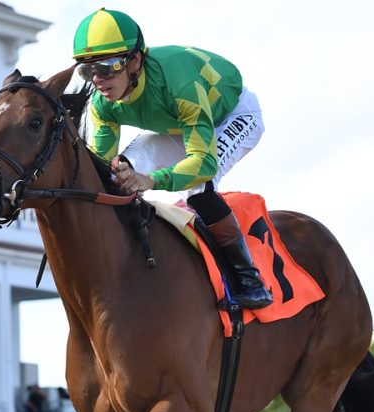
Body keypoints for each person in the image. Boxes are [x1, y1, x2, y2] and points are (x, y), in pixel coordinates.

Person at [72, 8, 272, 309]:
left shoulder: (178, 82)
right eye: (88, 71)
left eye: (108, 66)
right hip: (182, 124)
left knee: (200, 190)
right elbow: (100, 166)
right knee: (118, 174)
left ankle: (250, 280)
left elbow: (203, 164)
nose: (98, 79)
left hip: (232, 115)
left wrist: (151, 179)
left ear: (135, 61)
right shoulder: (103, 104)